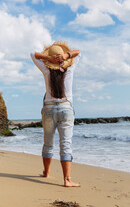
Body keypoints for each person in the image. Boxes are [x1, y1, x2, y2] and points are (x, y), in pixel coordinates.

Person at [30, 41, 81, 187]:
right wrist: (66, 55)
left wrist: (48, 59)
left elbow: (33, 54)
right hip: (66, 109)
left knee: (48, 143)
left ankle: (46, 172)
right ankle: (67, 180)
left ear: (50, 59)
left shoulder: (46, 70)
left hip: (49, 109)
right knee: (66, 144)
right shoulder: (70, 69)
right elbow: (79, 52)